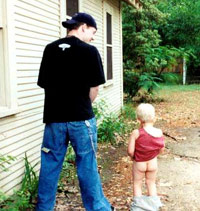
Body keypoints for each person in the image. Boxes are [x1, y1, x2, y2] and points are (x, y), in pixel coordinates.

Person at [36, 12, 115, 211]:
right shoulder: (89, 51)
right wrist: (81, 106)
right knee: (87, 164)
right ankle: (98, 208)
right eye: (92, 32)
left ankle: (43, 208)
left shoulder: (50, 49)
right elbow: (94, 88)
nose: (93, 37)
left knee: (50, 165)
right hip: (82, 120)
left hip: (54, 120)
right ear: (82, 27)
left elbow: (44, 84)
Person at [127, 103, 164, 211]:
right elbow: (161, 148)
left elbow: (130, 151)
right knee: (151, 182)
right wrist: (154, 155)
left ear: (138, 119)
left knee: (137, 183)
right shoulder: (159, 132)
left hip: (139, 163)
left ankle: (138, 208)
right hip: (153, 162)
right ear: (154, 118)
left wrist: (134, 157)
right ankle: (154, 206)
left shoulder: (136, 133)